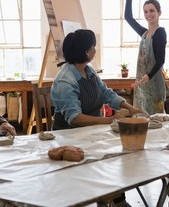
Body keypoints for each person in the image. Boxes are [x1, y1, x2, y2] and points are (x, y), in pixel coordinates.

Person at [51, 29, 144, 207]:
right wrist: (109, 120)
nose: (95, 50)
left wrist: (130, 108)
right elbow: (75, 118)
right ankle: (114, 200)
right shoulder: (65, 80)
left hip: (92, 132)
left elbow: (106, 93)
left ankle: (114, 199)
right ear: (87, 51)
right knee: (107, 159)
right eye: (93, 46)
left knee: (116, 156)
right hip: (70, 137)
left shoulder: (88, 70)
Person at [125, 0, 167, 115]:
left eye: (152, 11)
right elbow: (128, 18)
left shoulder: (159, 32)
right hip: (142, 85)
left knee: (154, 119)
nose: (148, 14)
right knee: (140, 117)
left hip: (153, 83)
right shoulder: (144, 33)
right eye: (146, 12)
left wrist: (147, 77)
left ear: (159, 12)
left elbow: (160, 60)